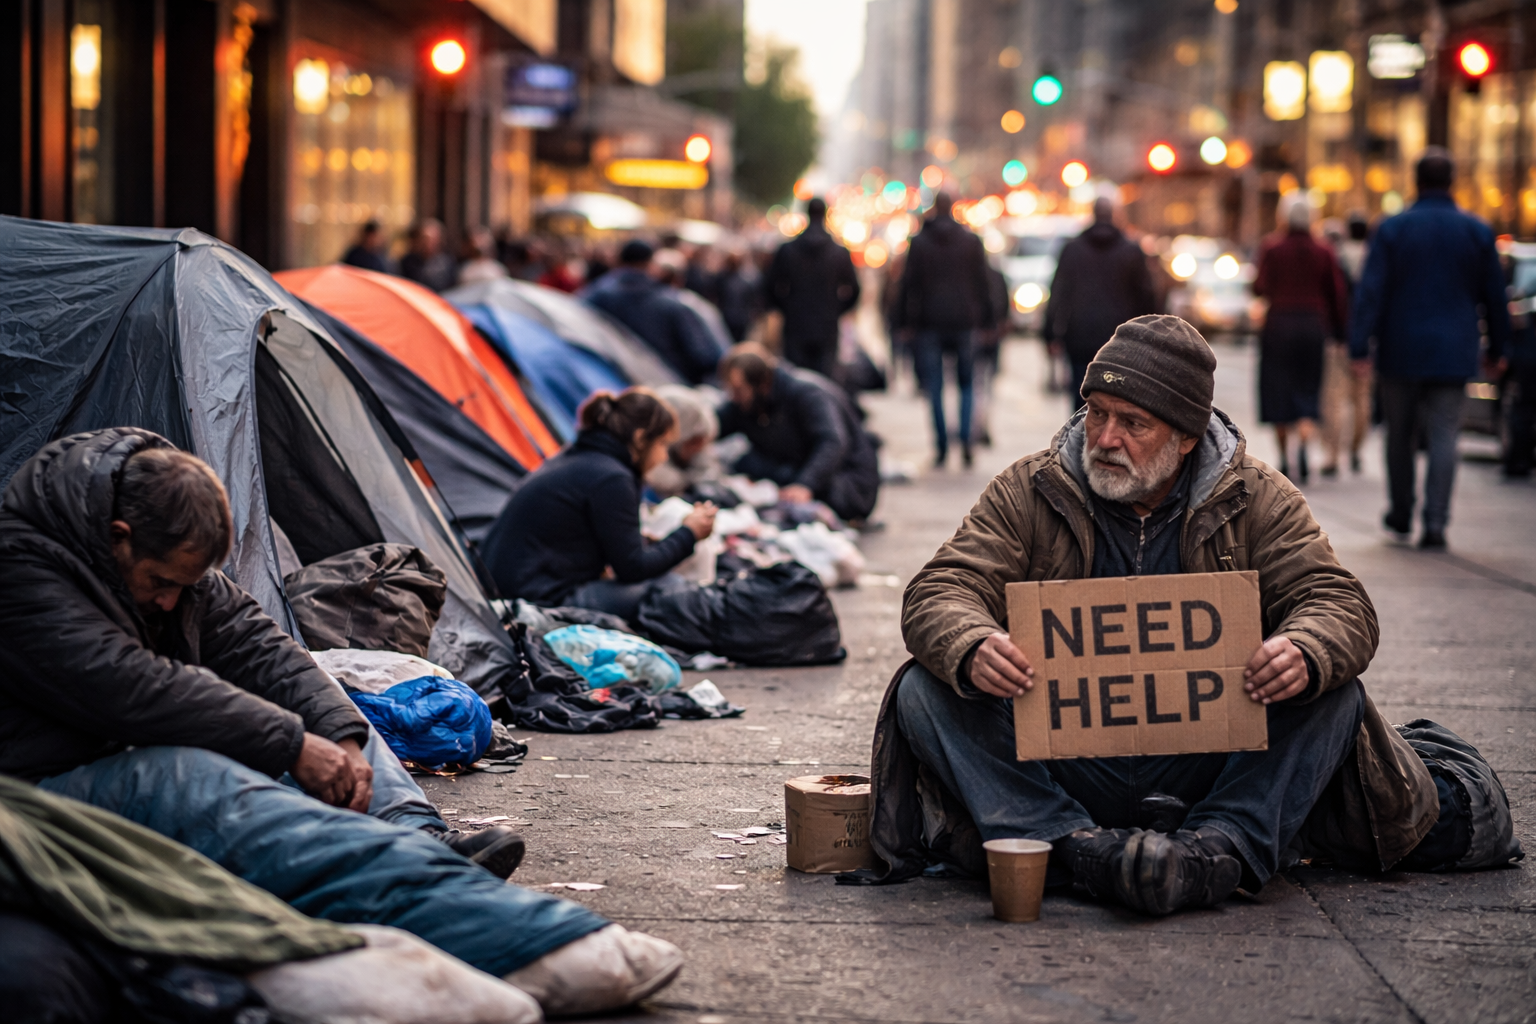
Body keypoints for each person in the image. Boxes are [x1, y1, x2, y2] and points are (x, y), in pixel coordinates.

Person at [0, 428, 684, 1016]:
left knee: (321, 696)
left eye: (187, 585)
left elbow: (256, 644)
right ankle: (486, 917)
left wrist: (338, 733)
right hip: (38, 793)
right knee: (190, 778)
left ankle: (418, 837)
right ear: (118, 540)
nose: (173, 599)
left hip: (118, 748)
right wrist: (291, 743)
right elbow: (132, 688)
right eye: (163, 583)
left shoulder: (158, 553)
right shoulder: (21, 568)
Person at [873, 315, 1438, 916]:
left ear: (1187, 437)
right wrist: (973, 641)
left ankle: (1216, 852)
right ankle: (1073, 846)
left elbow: (1337, 599)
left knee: (1335, 694)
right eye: (1097, 413)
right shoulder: (1032, 489)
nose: (1106, 438)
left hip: (1204, 762)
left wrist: (1303, 649)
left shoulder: (1256, 496)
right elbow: (942, 586)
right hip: (1065, 761)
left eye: (1132, 423)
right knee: (922, 687)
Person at [1350, 147, 1511, 548]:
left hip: (1400, 348)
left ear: (1416, 181)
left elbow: (1371, 293)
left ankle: (1401, 511)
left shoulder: (1392, 229)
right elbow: (1495, 295)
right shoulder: (1476, 231)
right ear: (1451, 183)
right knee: (1444, 437)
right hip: (1454, 350)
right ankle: (1436, 521)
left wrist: (1359, 346)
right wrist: (1498, 348)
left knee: (1399, 434)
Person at [481, 389, 718, 622]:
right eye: (663, 444)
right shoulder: (613, 479)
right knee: (672, 588)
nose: (664, 456)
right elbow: (634, 569)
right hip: (539, 599)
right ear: (640, 437)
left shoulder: (583, 459)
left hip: (506, 587)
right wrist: (689, 533)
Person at [717, 343, 880, 524]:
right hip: (799, 472)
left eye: (739, 390)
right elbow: (714, 424)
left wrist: (805, 485)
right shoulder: (745, 404)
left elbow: (832, 442)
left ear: (762, 383)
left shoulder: (808, 394)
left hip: (848, 485)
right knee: (744, 464)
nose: (733, 397)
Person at [891, 192, 995, 468]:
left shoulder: (920, 243)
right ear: (954, 209)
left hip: (929, 323)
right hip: (964, 322)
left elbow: (907, 285)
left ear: (934, 209)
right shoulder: (970, 241)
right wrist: (988, 321)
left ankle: (941, 445)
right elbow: (983, 283)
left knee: (934, 386)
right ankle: (965, 442)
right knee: (966, 384)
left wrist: (901, 322)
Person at [1253, 197, 1349, 483]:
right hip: (1312, 326)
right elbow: (1337, 295)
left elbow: (1260, 287)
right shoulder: (1324, 250)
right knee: (1308, 389)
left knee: (1278, 391)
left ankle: (1285, 456)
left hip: (1279, 325)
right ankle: (1305, 444)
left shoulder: (1271, 248)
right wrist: (1340, 333)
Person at [1044, 198, 1157, 415]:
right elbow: (1147, 297)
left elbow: (1058, 292)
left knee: (1081, 399)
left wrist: (1050, 334)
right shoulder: (1131, 250)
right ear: (1113, 215)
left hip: (1079, 336)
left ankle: (1081, 444)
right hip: (1121, 339)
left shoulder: (1072, 249)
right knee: (1119, 400)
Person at [584, 240, 725, 385]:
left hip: (610, 385)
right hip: (668, 387)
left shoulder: (594, 296)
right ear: (651, 263)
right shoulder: (673, 301)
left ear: (618, 261)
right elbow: (706, 356)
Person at [763, 196, 861, 380]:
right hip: (827, 326)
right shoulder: (839, 252)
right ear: (825, 214)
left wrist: (786, 307)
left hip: (795, 325)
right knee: (824, 380)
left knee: (797, 379)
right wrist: (837, 309)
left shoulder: (787, 250)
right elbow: (854, 289)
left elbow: (769, 286)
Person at [1320, 212, 1374, 476]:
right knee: (1361, 399)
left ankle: (1332, 455)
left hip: (1337, 337)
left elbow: (1333, 299)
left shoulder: (1336, 257)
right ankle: (1355, 449)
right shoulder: (1375, 257)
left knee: (1334, 399)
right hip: (1368, 340)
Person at [647, 384, 722, 498]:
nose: (697, 450)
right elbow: (658, 475)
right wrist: (686, 480)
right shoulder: (658, 431)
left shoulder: (704, 429)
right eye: (695, 445)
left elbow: (710, 468)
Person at [397, 218, 456, 293]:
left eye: (432, 239)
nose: (427, 243)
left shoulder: (446, 263)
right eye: (424, 238)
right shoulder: (408, 262)